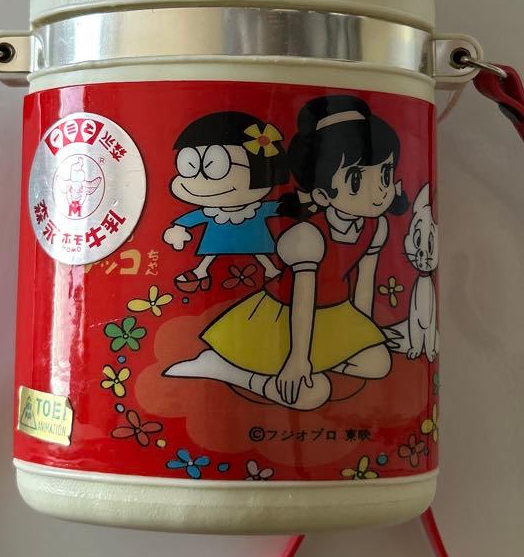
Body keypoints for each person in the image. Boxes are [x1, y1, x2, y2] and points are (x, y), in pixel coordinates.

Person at [166, 95, 410, 409]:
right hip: (281, 319)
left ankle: (298, 366)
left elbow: (364, 284)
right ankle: (222, 366)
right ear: (322, 194)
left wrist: (364, 334)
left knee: (378, 364)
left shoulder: (376, 227)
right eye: (356, 180)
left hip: (334, 314)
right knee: (312, 393)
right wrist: (297, 360)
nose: (378, 191)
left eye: (385, 174)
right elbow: (301, 300)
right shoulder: (309, 236)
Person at [163, 111, 290, 292]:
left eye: (214, 167)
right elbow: (195, 217)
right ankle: (200, 272)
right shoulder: (213, 212)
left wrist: (292, 204)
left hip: (252, 236)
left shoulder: (254, 209)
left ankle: (271, 270)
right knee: (214, 251)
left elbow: (275, 208)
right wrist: (179, 228)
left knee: (258, 250)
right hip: (222, 237)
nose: (199, 181)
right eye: (188, 167)